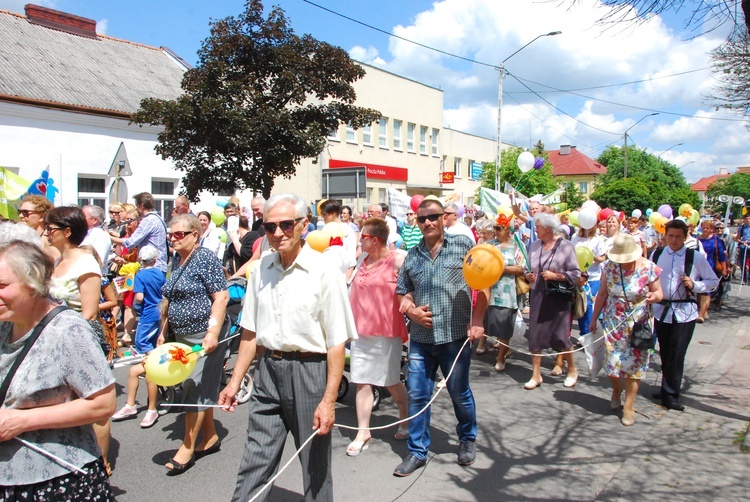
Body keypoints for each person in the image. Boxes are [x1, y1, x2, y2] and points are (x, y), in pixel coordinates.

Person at [218, 194, 356, 501]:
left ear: (304, 225)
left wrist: (329, 400)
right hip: (268, 371)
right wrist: (235, 380)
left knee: (314, 466)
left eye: (286, 224)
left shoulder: (324, 270)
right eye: (270, 226)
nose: (278, 233)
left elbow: (337, 342)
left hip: (310, 373)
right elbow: (250, 332)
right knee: (255, 459)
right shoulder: (262, 267)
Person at [0, 239, 116, 499]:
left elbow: (104, 404)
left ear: (32, 284)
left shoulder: (68, 331)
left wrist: (20, 421)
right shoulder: (5, 323)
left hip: (54, 480)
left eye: (2, 285)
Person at [394, 198, 486, 477]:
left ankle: (467, 438)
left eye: (433, 217)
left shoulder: (463, 247)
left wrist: (479, 320)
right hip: (421, 337)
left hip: (454, 336)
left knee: (459, 393)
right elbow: (402, 291)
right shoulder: (412, 254)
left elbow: (482, 284)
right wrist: (410, 309)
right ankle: (417, 451)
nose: (428, 223)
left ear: (444, 217)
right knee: (418, 394)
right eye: (422, 219)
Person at [158, 214, 228, 475]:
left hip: (203, 334)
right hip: (181, 334)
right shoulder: (177, 258)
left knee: (193, 387)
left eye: (178, 234)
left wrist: (212, 333)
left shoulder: (205, 258)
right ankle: (209, 437)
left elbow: (220, 297)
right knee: (199, 386)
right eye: (170, 234)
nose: (173, 239)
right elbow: (170, 298)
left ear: (194, 235)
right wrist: (164, 332)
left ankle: (187, 448)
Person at [346, 217, 409, 456]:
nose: (360, 241)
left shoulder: (398, 260)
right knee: (362, 380)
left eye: (363, 237)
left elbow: (412, 288)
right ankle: (363, 431)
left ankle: (405, 419)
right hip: (361, 331)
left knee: (390, 381)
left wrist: (410, 301)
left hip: (386, 331)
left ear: (374, 240)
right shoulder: (363, 259)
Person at [591, 234, 663, 426]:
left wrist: (653, 296)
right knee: (612, 365)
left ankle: (629, 405)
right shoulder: (609, 266)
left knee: (634, 367)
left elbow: (659, 293)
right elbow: (603, 293)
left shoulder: (649, 268)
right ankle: (616, 389)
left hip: (638, 324)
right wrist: (593, 318)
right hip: (613, 322)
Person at [651, 219, 719, 411]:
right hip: (662, 311)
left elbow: (713, 280)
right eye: (670, 236)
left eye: (678, 237)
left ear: (685, 236)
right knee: (665, 350)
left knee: (677, 352)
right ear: (665, 234)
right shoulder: (657, 254)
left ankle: (671, 393)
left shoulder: (694, 257)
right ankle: (666, 387)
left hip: (685, 312)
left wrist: (695, 285)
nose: (673, 240)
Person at [523, 213, 581, 390]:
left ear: (548, 228)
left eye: (538, 226)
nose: (535, 229)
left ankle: (572, 369)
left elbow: (576, 274)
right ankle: (536, 374)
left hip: (557, 297)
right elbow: (526, 267)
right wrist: (528, 275)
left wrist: (556, 275)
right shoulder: (533, 245)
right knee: (535, 336)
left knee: (561, 336)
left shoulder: (566, 246)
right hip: (537, 295)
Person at [111, 246, 166, 428]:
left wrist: (134, 304)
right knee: (140, 361)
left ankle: (147, 405)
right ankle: (131, 405)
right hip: (159, 313)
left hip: (148, 314)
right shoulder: (159, 273)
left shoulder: (140, 276)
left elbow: (140, 297)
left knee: (144, 347)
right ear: (155, 259)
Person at [482, 214, 525, 371]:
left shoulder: (517, 246)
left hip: (508, 294)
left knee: (505, 327)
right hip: (489, 291)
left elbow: (522, 268)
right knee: (488, 323)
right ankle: (486, 345)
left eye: (499, 228)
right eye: (494, 228)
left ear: (508, 230)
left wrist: (502, 269)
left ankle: (501, 357)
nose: (495, 231)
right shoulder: (489, 245)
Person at [113, 193, 169, 274]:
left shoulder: (149, 220)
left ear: (142, 206)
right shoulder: (158, 218)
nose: (136, 209)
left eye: (137, 206)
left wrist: (108, 237)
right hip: (158, 267)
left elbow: (130, 243)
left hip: (152, 268)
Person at [571, 225, 607, 339]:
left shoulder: (598, 239)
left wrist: (592, 257)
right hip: (579, 276)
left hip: (593, 277)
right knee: (581, 304)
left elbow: (602, 258)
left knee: (589, 304)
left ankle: (590, 333)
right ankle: (583, 334)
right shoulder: (575, 236)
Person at [697, 220, 728, 319]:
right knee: (698, 289)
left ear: (711, 229)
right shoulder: (696, 239)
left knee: (707, 290)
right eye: (703, 227)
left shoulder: (716, 240)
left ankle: (702, 313)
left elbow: (722, 256)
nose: (705, 229)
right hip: (698, 267)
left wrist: (724, 268)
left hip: (711, 267)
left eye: (707, 228)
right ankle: (702, 310)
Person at [18, 194, 58, 261]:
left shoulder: (49, 239)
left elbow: (57, 262)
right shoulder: (27, 235)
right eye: (19, 212)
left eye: (25, 212)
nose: (21, 215)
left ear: (41, 217)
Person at [81, 205, 113, 276]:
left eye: (83, 216)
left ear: (94, 220)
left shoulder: (100, 235)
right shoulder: (86, 234)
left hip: (94, 278)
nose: (79, 219)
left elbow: (98, 261)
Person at [735, 214, 750, 282]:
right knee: (743, 262)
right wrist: (743, 242)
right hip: (744, 246)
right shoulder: (742, 228)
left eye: (749, 218)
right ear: (744, 220)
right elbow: (737, 238)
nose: (748, 220)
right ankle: (744, 278)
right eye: (746, 219)